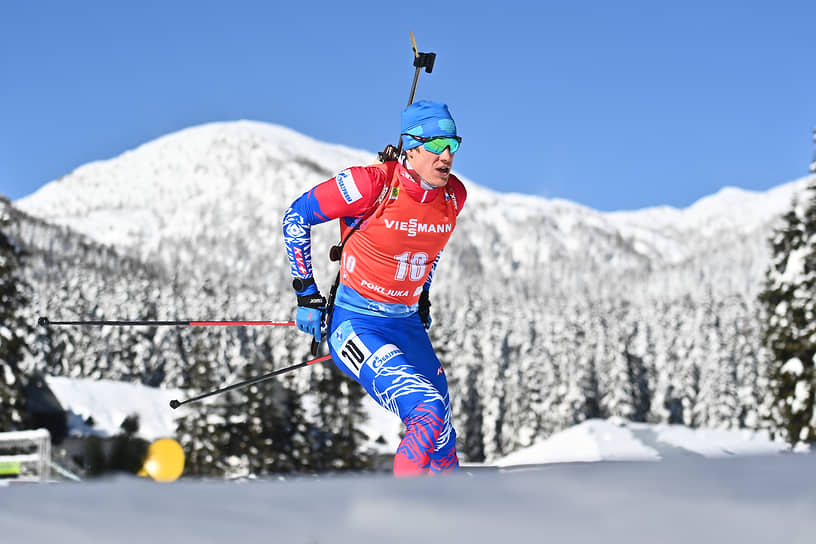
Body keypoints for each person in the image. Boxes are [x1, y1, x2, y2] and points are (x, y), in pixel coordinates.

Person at [282, 100, 467, 476]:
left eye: (453, 144)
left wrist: (423, 296)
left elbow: (426, 253)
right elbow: (296, 216)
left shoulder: (453, 197)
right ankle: (401, 517)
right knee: (426, 411)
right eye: (435, 145)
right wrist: (306, 294)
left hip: (406, 324)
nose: (446, 155)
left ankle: (455, 510)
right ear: (411, 147)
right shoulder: (371, 184)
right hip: (356, 324)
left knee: (443, 433)